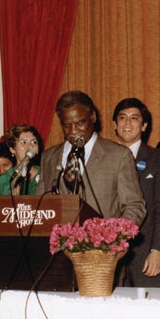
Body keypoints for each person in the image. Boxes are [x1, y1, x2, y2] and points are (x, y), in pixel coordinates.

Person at [37, 90, 146, 225]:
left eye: (80, 123)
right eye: (66, 125)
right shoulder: (48, 157)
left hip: (102, 245)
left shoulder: (118, 155)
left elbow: (134, 206)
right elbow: (41, 207)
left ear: (93, 116)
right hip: (57, 245)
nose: (74, 131)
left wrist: (113, 237)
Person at [112, 98, 160, 287]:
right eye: (122, 118)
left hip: (147, 255)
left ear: (144, 125)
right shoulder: (103, 158)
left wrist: (157, 251)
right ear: (114, 124)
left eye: (134, 118)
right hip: (109, 256)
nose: (127, 123)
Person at [0, 124, 43, 196]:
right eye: (23, 142)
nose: (30, 146)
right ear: (12, 149)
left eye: (34, 142)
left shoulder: (47, 175)